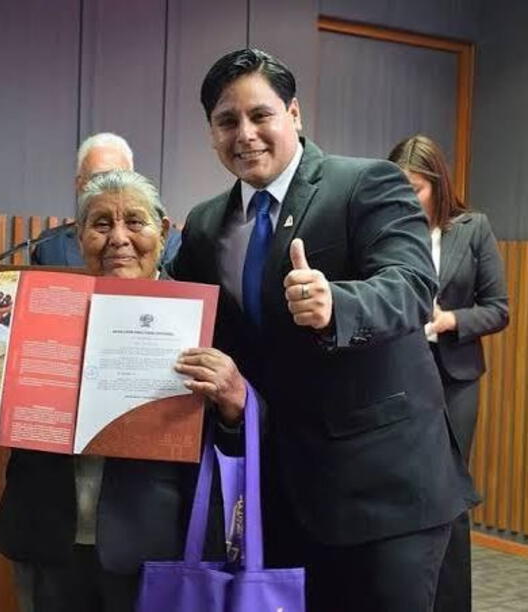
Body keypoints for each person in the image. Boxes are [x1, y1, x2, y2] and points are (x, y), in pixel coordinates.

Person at [167, 48, 479, 611]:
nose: (246, 134)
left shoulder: (366, 183)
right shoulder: (207, 223)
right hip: (283, 488)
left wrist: (339, 302)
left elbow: (412, 287)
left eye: (261, 115)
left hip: (387, 488)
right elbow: (183, 317)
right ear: (211, 132)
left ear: (295, 114)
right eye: (226, 121)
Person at [0, 170, 246, 612]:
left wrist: (233, 402)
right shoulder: (33, 306)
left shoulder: (202, 315)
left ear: (162, 232)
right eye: (101, 224)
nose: (118, 238)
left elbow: (233, 435)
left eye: (135, 222)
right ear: (79, 235)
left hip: (154, 540)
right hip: (46, 532)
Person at [388, 134, 509, 612]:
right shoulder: (384, 229)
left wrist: (448, 321)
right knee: (398, 490)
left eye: (415, 188)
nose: (406, 199)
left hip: (453, 374)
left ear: (438, 186)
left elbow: (498, 310)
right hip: (395, 372)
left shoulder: (472, 228)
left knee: (451, 494)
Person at [32, 132, 181, 267]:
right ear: (79, 185)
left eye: (119, 177)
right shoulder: (50, 247)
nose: (119, 239)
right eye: (98, 179)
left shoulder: (174, 245)